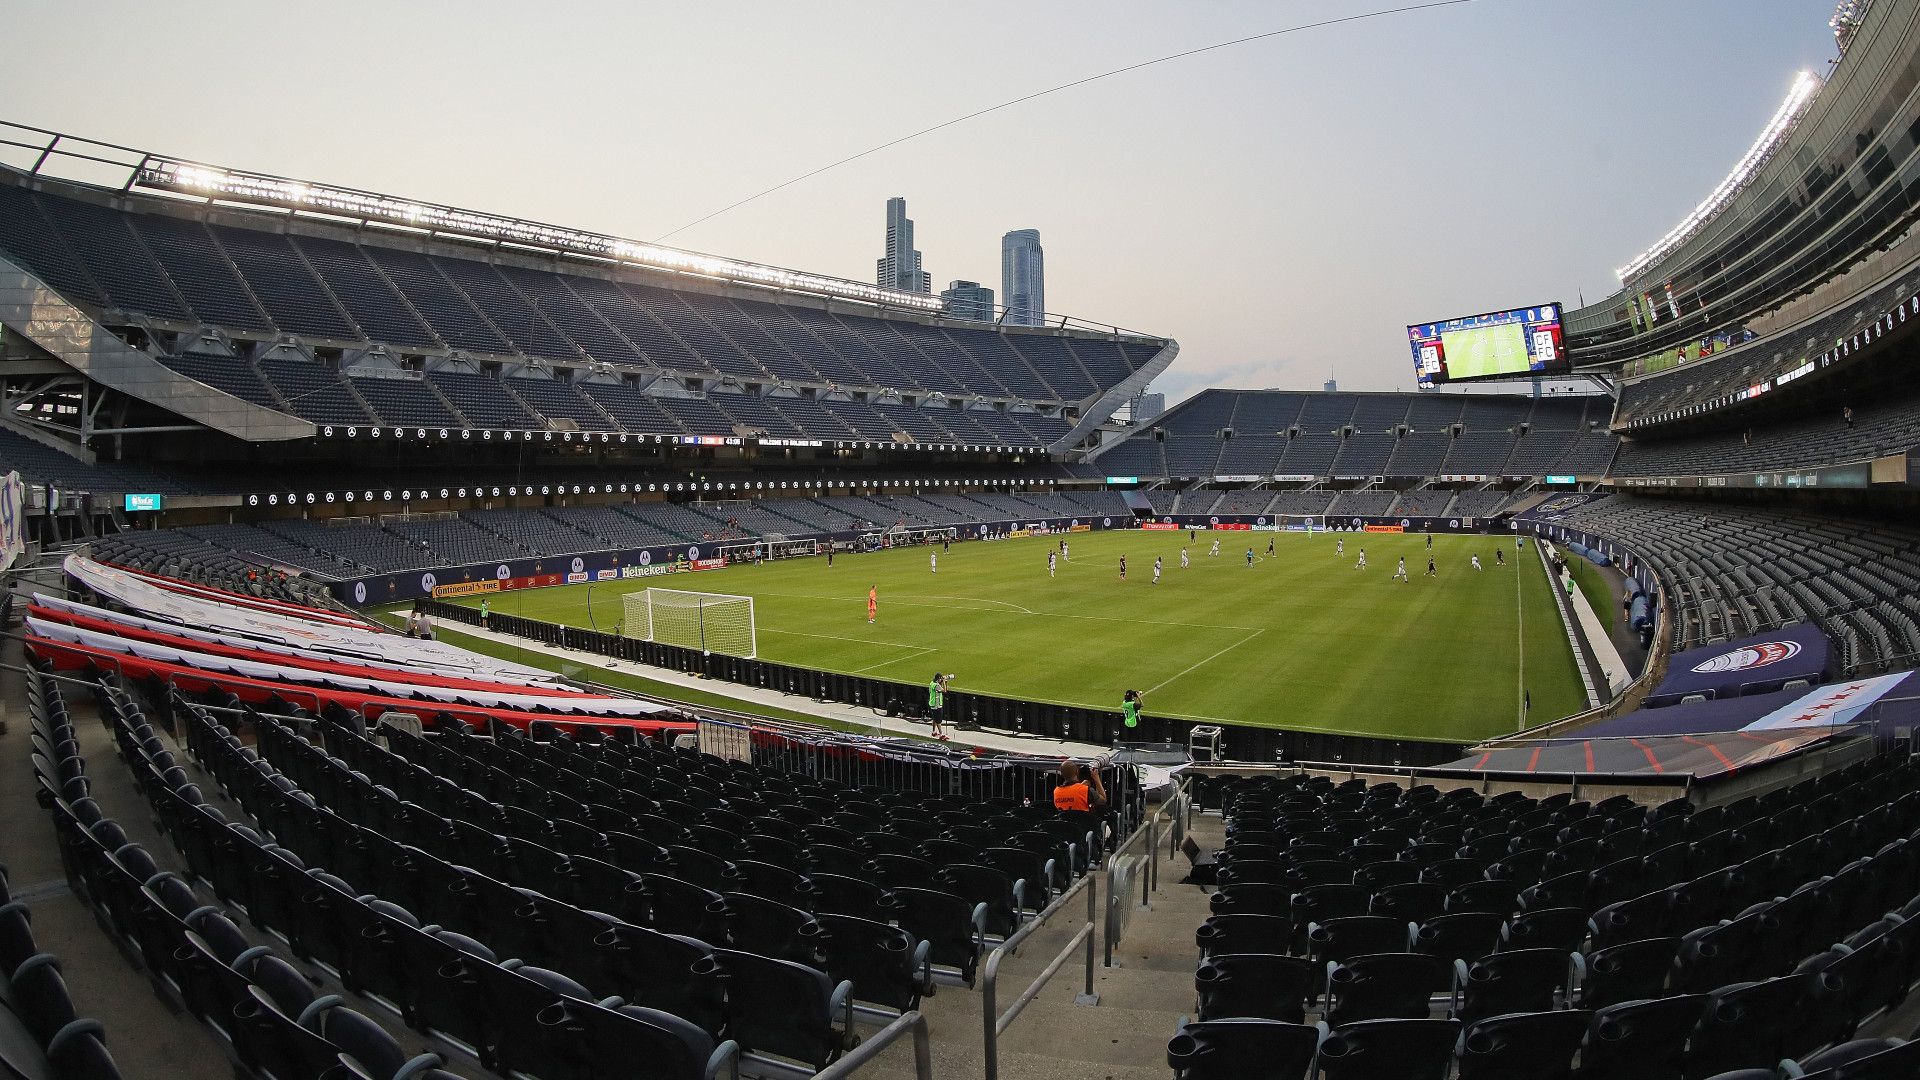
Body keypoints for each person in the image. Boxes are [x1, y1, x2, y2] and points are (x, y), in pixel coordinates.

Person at [927, 672, 951, 740]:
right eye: (940, 679)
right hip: (936, 705)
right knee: (938, 720)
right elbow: (945, 691)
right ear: (938, 679)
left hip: (932, 703)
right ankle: (941, 734)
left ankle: (934, 732)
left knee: (934, 718)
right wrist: (945, 683)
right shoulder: (936, 685)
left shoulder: (932, 683)